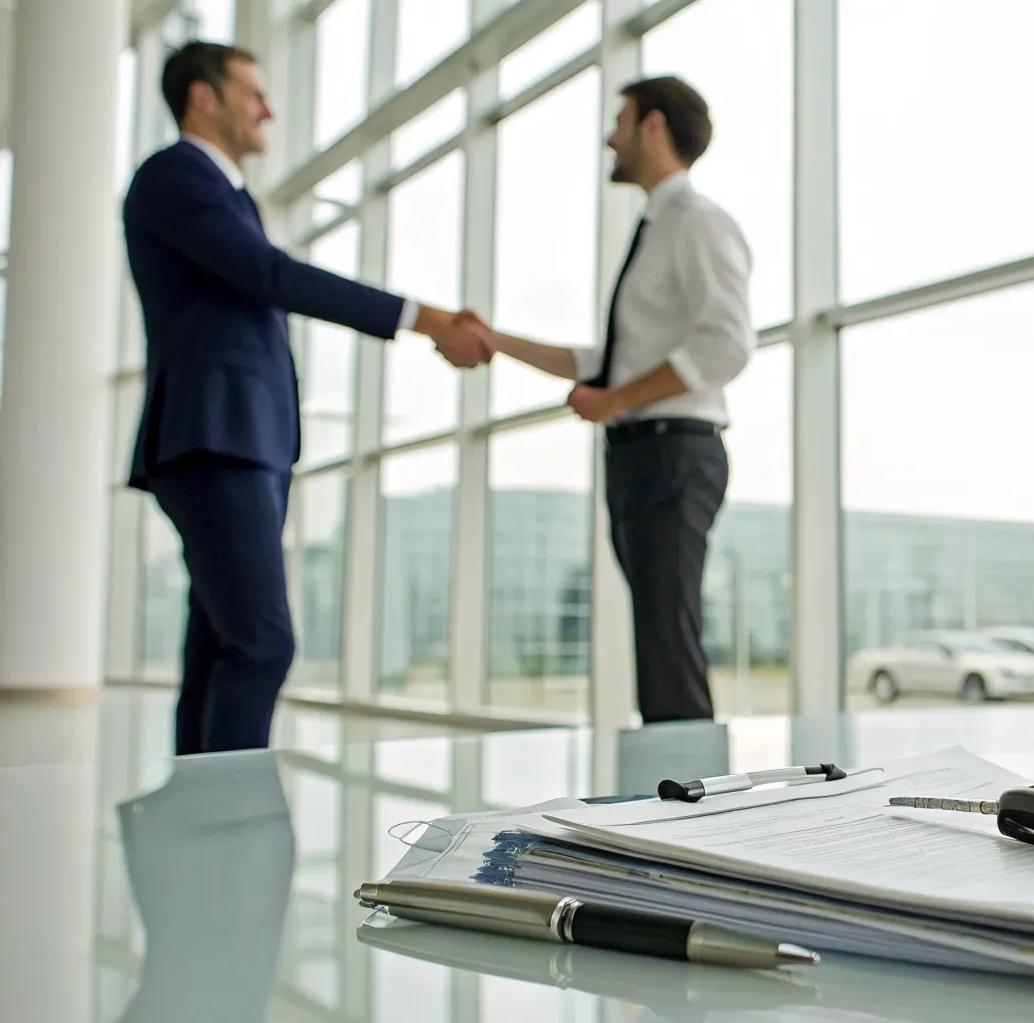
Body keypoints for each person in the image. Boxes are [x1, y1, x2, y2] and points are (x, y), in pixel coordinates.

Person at [123, 41, 492, 755]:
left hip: (243, 439)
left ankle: (197, 807)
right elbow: (270, 275)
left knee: (221, 644)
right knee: (262, 644)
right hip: (215, 437)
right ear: (203, 97)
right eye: (253, 93)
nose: (268, 110)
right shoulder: (176, 175)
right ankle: (233, 812)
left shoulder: (227, 193)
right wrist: (422, 318)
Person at [476, 76, 754, 723]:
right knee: (659, 644)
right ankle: (681, 781)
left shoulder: (698, 223)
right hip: (642, 456)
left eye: (620, 122)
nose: (610, 138)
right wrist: (497, 342)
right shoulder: (658, 228)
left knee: (668, 649)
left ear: (653, 126)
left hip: (671, 454)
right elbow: (608, 362)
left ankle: (695, 786)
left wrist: (619, 399)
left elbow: (727, 344)